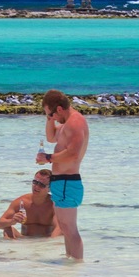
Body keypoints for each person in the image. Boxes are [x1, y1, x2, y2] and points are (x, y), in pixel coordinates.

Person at [35, 89, 88, 260]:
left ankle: (77, 264)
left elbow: (73, 153)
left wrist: (49, 158)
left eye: (52, 114)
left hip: (68, 182)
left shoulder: (76, 122)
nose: (53, 119)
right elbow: (51, 137)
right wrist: (48, 117)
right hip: (61, 183)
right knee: (65, 228)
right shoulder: (67, 123)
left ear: (59, 109)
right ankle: (70, 265)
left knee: (70, 229)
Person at [0, 169, 62, 239]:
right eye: (35, 182)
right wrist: (12, 221)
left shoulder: (54, 204)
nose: (36, 186)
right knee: (7, 229)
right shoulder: (21, 202)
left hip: (46, 240)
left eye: (41, 185)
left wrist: (49, 244)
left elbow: (59, 228)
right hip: (25, 240)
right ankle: (12, 249)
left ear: (50, 188)